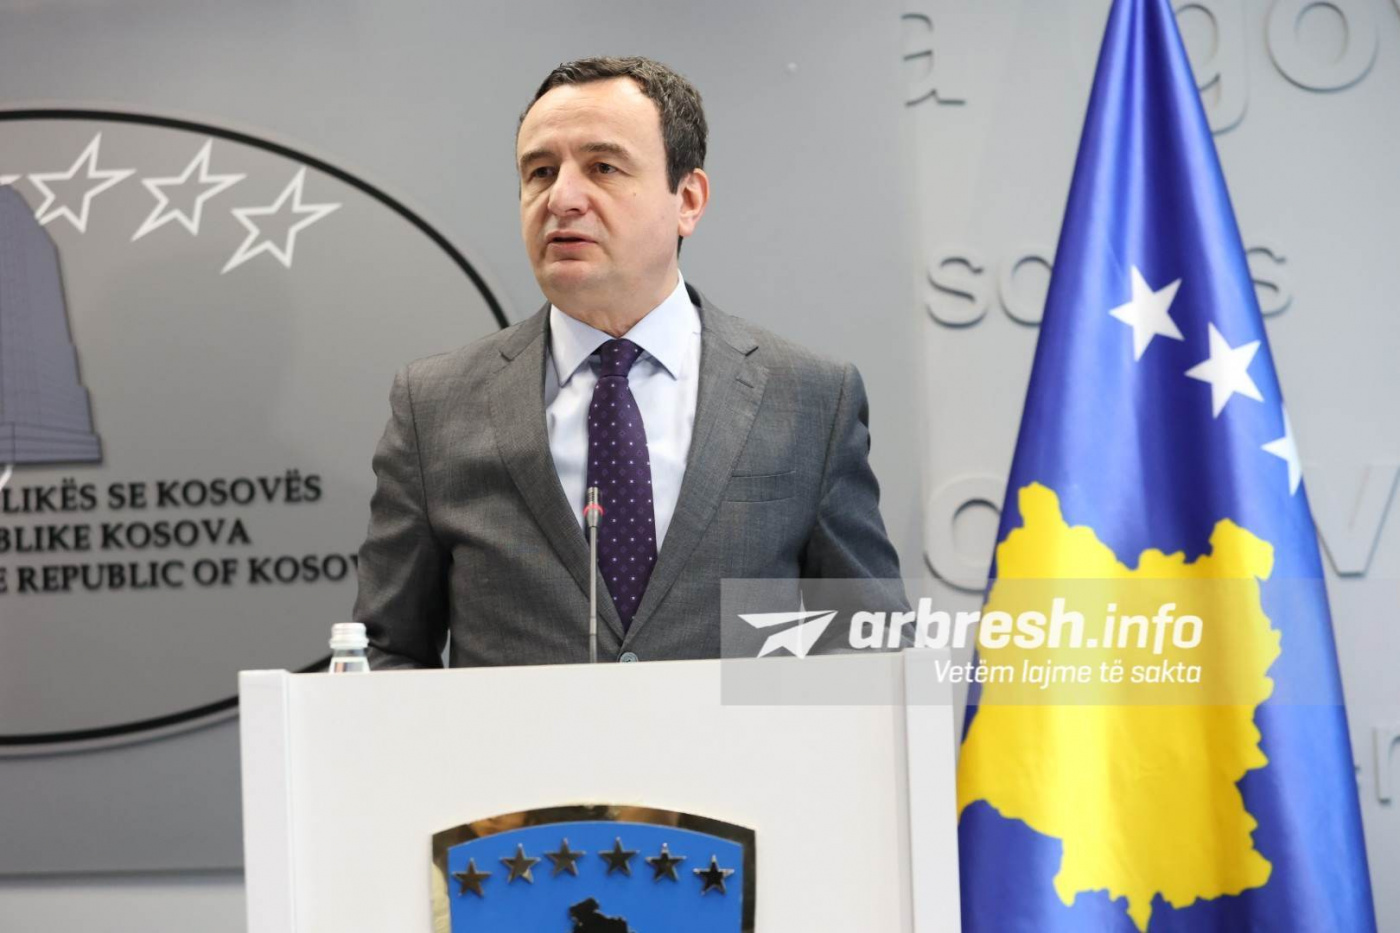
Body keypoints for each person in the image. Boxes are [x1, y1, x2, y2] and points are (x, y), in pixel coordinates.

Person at [354, 56, 904, 668]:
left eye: (603, 168)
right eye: (540, 172)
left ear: (687, 199)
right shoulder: (434, 406)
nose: (562, 199)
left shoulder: (808, 398)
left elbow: (870, 641)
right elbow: (387, 650)